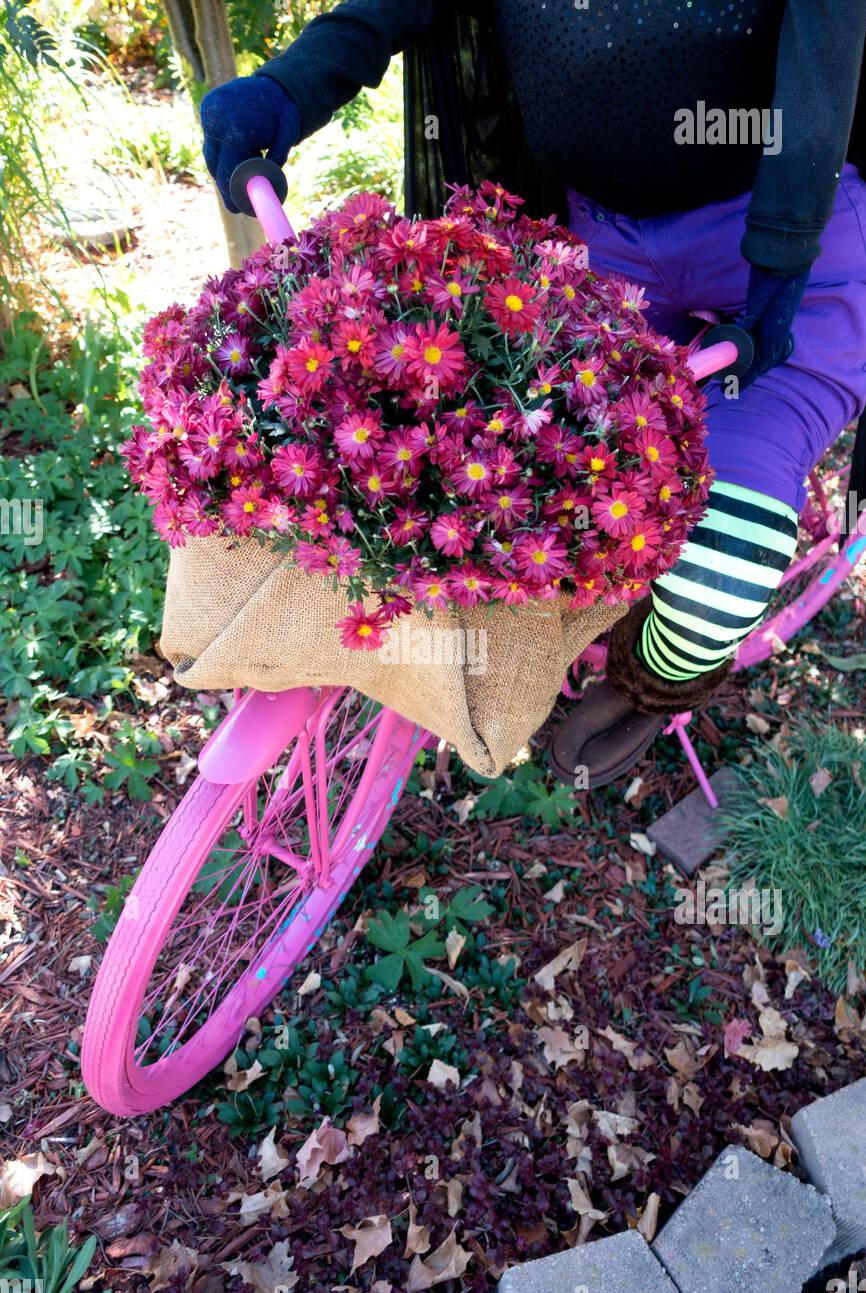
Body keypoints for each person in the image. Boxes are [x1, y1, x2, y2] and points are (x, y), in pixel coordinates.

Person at [200, 1, 866, 786]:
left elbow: (827, 53)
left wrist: (783, 261)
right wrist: (288, 86)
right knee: (497, 470)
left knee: (718, 571)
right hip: (600, 250)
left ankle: (653, 683)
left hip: (790, 257)